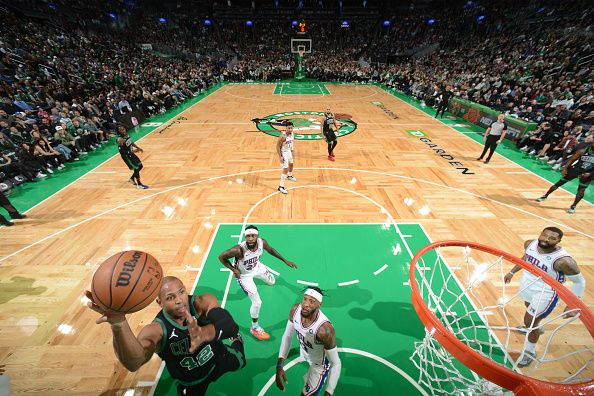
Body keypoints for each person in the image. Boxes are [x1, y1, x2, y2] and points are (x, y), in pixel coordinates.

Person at [85, 276, 246, 396]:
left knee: (241, 361)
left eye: (181, 292)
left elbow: (230, 326)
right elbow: (133, 363)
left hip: (219, 358)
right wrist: (119, 325)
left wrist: (203, 334)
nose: (179, 300)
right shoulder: (156, 330)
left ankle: (237, 342)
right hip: (191, 381)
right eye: (170, 297)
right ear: (160, 302)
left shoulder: (200, 302)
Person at [503, 227, 585, 368]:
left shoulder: (564, 261)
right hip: (529, 282)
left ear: (559, 241)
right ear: (540, 234)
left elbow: (580, 282)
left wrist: (572, 305)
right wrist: (512, 272)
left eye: (552, 238)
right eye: (544, 235)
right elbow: (526, 258)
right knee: (528, 307)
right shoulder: (530, 244)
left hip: (547, 290)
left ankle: (530, 352)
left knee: (530, 321)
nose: (546, 240)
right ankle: (534, 327)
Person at [218, 225, 297, 340]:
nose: (250, 238)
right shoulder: (238, 249)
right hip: (244, 276)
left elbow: (271, 250)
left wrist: (285, 260)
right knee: (257, 303)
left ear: (257, 236)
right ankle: (254, 327)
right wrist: (233, 269)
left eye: (253, 236)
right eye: (248, 236)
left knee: (272, 282)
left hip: (257, 267)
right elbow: (221, 257)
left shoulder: (262, 243)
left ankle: (263, 276)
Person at [275, 287, 341, 395]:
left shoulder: (325, 330)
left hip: (319, 365)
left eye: (311, 301)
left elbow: (336, 363)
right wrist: (279, 365)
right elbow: (287, 336)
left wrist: (328, 392)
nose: (306, 304)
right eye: (305, 299)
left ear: (319, 305)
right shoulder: (295, 310)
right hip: (305, 352)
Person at [536, 134, 593, 213]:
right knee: (559, 183)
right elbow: (572, 159)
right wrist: (565, 169)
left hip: (588, 173)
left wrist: (590, 174)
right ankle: (544, 196)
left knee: (581, 190)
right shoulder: (583, 150)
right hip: (576, 169)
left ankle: (573, 206)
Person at [276, 122, 296, 195]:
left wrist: (292, 150)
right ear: (286, 128)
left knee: (291, 164)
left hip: (289, 151)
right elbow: (277, 146)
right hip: (283, 152)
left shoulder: (292, 133)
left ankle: (290, 175)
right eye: (289, 128)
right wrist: (280, 156)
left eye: (291, 128)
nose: (290, 129)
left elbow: (291, 143)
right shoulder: (282, 136)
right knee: (285, 168)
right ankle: (281, 187)